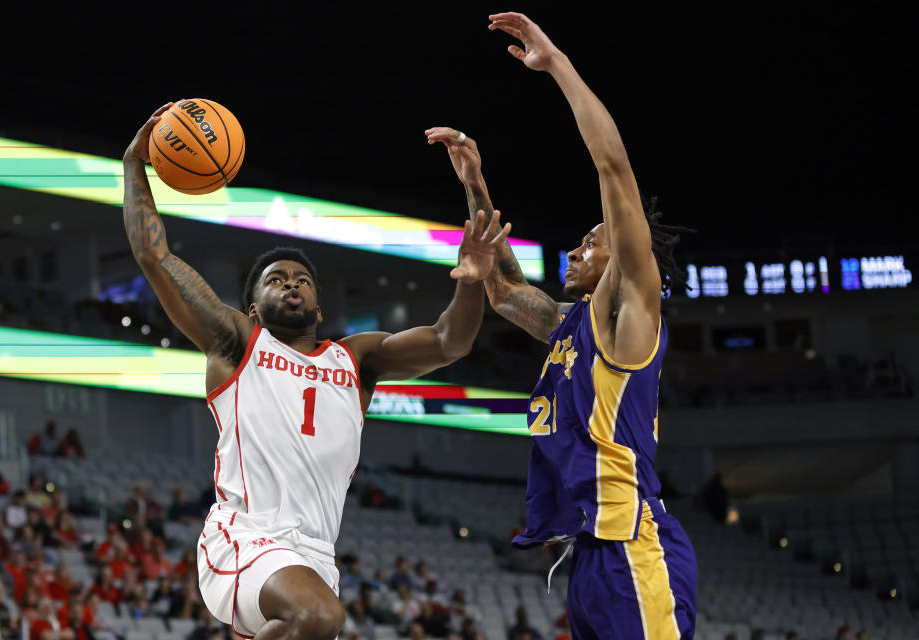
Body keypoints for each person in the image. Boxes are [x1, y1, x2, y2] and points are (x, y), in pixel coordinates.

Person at [122, 104, 510, 640]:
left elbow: (450, 341)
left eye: (301, 279)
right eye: (276, 279)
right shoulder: (237, 343)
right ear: (253, 308)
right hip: (245, 537)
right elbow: (156, 256)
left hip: (314, 556)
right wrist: (133, 166)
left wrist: (470, 279)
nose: (291, 284)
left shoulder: (356, 359)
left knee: (318, 617)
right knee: (320, 616)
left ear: (320, 308)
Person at [427, 12, 697, 639]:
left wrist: (557, 65)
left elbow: (614, 172)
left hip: (635, 544)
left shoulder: (629, 310)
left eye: (590, 242)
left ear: (625, 259)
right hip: (589, 555)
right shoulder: (571, 326)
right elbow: (503, 288)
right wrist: (475, 186)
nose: (575, 252)